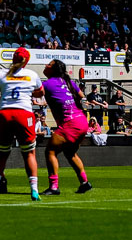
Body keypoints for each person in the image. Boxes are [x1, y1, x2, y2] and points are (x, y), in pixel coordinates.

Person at [0, 47, 44, 201]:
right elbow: (41, 92)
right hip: (24, 114)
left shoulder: (1, 74)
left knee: (2, 153)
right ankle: (34, 190)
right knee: (29, 153)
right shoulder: (32, 74)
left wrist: (1, 97)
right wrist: (29, 92)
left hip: (4, 113)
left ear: (13, 59)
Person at [40, 59, 92, 195]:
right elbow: (82, 97)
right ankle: (84, 182)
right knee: (70, 154)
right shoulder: (68, 82)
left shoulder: (46, 84)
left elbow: (36, 94)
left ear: (53, 69)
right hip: (81, 120)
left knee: (50, 151)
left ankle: (53, 186)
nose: (45, 65)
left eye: (48, 64)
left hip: (70, 123)